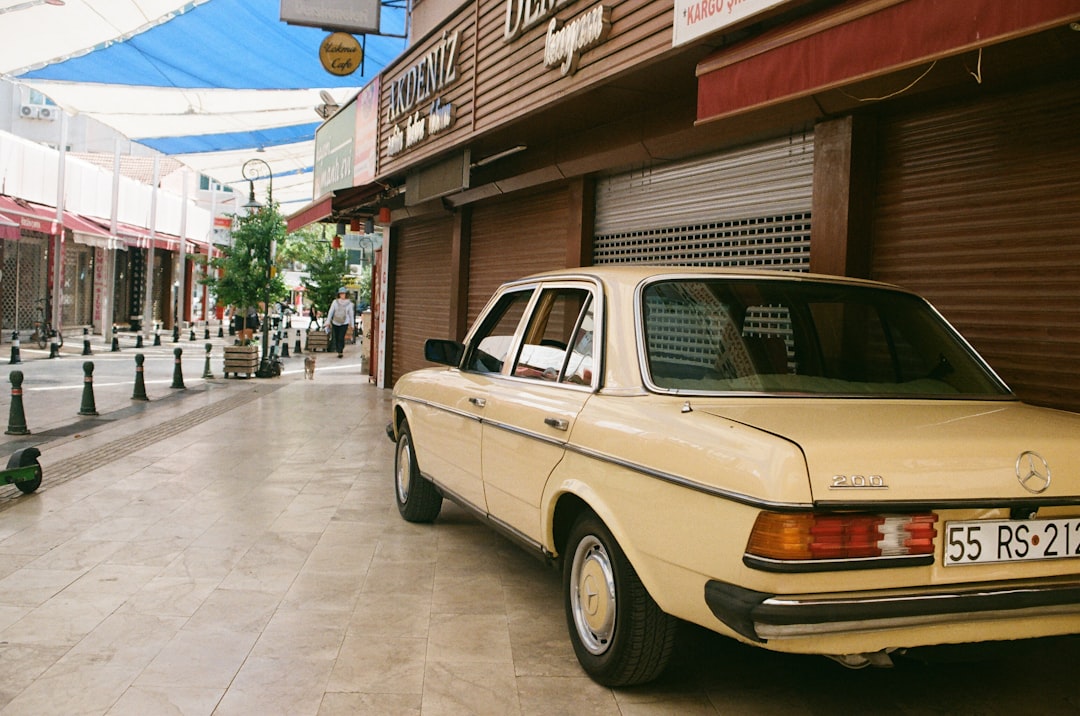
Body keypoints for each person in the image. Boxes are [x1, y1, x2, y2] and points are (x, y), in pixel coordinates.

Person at [325, 288, 355, 358]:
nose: (342, 295)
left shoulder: (349, 304)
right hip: (335, 322)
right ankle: (339, 349)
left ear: (346, 294)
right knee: (336, 337)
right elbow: (331, 312)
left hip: (344, 322)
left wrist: (352, 324)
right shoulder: (335, 302)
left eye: (343, 294)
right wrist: (328, 321)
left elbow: (351, 314)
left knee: (341, 337)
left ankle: (340, 350)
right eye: (341, 294)